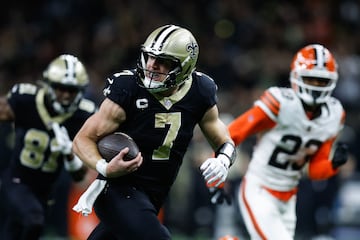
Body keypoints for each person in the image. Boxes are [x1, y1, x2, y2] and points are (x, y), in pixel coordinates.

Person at [72, 24, 236, 240]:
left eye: (163, 61)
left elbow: (224, 141)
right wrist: (104, 167)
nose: (152, 65)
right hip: (118, 189)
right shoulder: (128, 88)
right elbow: (82, 140)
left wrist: (223, 160)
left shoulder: (200, 91)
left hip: (154, 194)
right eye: (149, 57)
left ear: (185, 66)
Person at [227, 44, 348, 240]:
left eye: (321, 80)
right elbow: (234, 132)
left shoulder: (334, 115)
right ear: (296, 76)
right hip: (259, 189)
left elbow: (316, 170)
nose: (315, 85)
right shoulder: (281, 103)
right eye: (310, 79)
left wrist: (333, 164)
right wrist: (220, 166)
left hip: (289, 196)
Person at [0, 54, 97, 240]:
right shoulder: (27, 100)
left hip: (45, 191)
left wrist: (69, 154)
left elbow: (80, 176)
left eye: (72, 90)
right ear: (49, 84)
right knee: (33, 220)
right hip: (17, 180)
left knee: (15, 233)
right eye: (61, 88)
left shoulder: (83, 116)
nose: (66, 95)